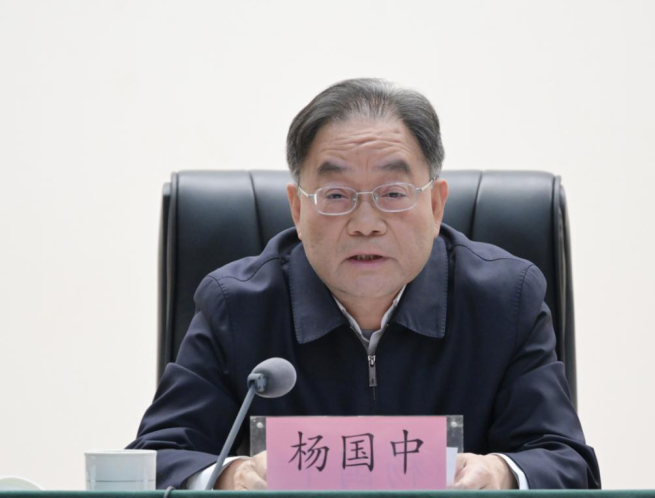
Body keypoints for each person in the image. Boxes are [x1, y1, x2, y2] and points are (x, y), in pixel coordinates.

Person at [128, 78, 601, 490]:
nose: (366, 223)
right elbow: (157, 458)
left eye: (393, 194)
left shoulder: (505, 299)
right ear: (297, 208)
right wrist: (231, 476)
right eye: (336, 195)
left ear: (436, 205)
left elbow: (566, 462)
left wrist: (501, 473)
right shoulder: (235, 306)